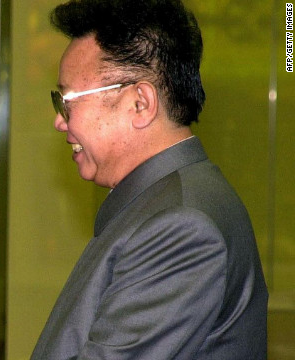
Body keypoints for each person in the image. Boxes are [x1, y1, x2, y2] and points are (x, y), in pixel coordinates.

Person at [32, 0, 268, 359]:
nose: (60, 121)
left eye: (67, 101)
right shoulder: (164, 202)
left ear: (140, 103)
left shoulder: (182, 226)